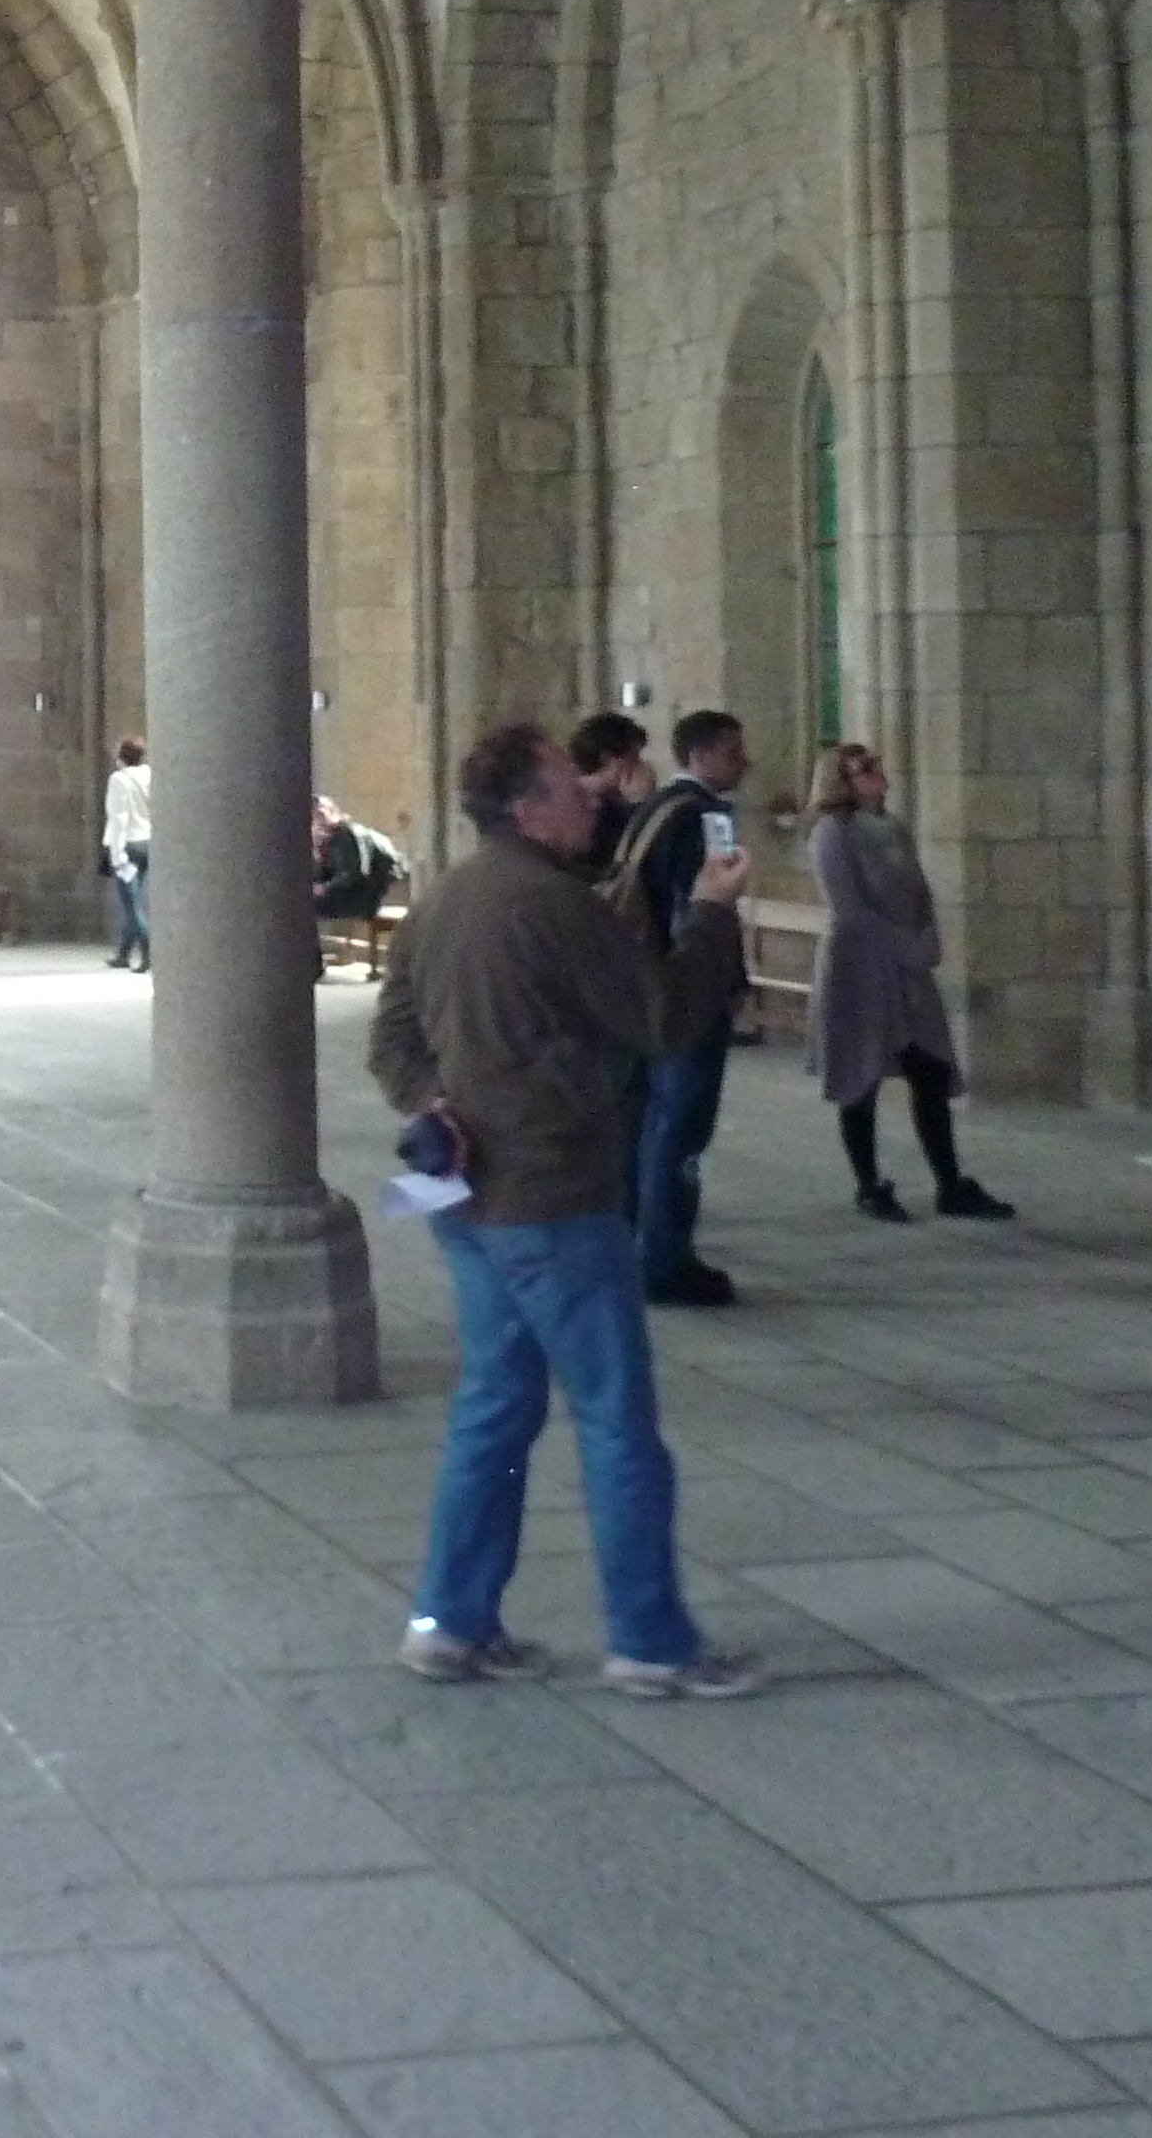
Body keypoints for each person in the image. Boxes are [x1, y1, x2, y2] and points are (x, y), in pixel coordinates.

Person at [371, 721, 764, 1701]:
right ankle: (650, 1642)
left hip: (464, 1196)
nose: (591, 795)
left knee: (494, 1413)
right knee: (616, 1422)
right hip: (551, 1199)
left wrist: (435, 1105)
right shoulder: (552, 905)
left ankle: (448, 1624)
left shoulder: (447, 897)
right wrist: (713, 915)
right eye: (568, 786)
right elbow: (662, 1018)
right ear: (526, 808)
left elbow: (390, 1038)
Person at [807, 742, 1015, 1222]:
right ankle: (869, 1184)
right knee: (860, 1074)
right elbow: (849, 909)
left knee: (930, 1067)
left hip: (907, 968)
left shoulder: (894, 828)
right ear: (843, 782)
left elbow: (920, 894)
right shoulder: (831, 835)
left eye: (876, 765)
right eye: (866, 769)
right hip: (859, 967)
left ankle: (950, 1183)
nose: (879, 773)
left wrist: (928, 939)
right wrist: (905, 948)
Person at [609, 708, 750, 1307]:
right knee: (680, 1127)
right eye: (734, 751)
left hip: (639, 987)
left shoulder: (655, 809)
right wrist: (716, 982)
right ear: (703, 754)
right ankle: (666, 1260)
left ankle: (628, 1241)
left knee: (641, 1122)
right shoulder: (705, 818)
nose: (745, 763)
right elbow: (703, 908)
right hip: (683, 993)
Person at [566, 711, 655, 883]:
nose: (641, 765)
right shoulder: (590, 806)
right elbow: (634, 859)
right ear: (609, 759)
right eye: (634, 757)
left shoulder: (611, 799)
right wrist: (639, 804)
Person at [99, 736, 152, 971]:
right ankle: (123, 953)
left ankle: (148, 951)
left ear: (122, 757)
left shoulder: (119, 780)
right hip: (147, 843)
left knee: (132, 906)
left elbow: (118, 818)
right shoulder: (150, 776)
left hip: (127, 845)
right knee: (134, 900)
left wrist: (117, 855)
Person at [314, 796, 404, 920]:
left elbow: (351, 875)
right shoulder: (333, 837)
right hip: (362, 893)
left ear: (331, 813)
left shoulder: (345, 835)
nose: (316, 821)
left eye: (319, 815)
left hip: (364, 896)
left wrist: (324, 888)